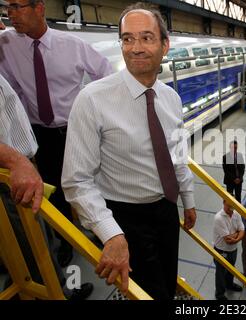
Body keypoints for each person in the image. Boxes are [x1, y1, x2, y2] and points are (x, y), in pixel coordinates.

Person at [61, 5, 197, 299]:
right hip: (125, 216)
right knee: (149, 293)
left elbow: (177, 155)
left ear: (165, 45)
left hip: (165, 210)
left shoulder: (171, 98)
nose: (136, 48)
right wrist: (111, 232)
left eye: (146, 38)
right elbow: (76, 181)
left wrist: (188, 199)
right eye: (127, 39)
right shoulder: (92, 100)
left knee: (167, 280)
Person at [0, 0, 113, 268]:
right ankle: (67, 241)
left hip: (75, 130)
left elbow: (106, 74)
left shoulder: (71, 45)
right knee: (55, 189)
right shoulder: (7, 43)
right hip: (41, 134)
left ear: (39, 8)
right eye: (7, 7)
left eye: (17, 6)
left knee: (89, 183)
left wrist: (93, 110)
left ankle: (103, 232)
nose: (10, 13)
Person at [0, 71, 93, 300]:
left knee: (40, 240)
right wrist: (15, 161)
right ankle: (56, 293)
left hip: (23, 166)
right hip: (10, 176)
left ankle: (50, 285)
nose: (3, 31)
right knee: (32, 248)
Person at [213, 200, 245, 300]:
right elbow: (227, 240)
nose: (231, 207)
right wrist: (237, 233)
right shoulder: (219, 218)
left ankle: (229, 285)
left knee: (231, 269)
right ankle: (219, 294)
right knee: (220, 273)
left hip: (233, 249)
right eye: (229, 204)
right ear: (223, 202)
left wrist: (236, 237)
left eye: (233, 205)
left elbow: (242, 230)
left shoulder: (236, 214)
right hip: (221, 250)